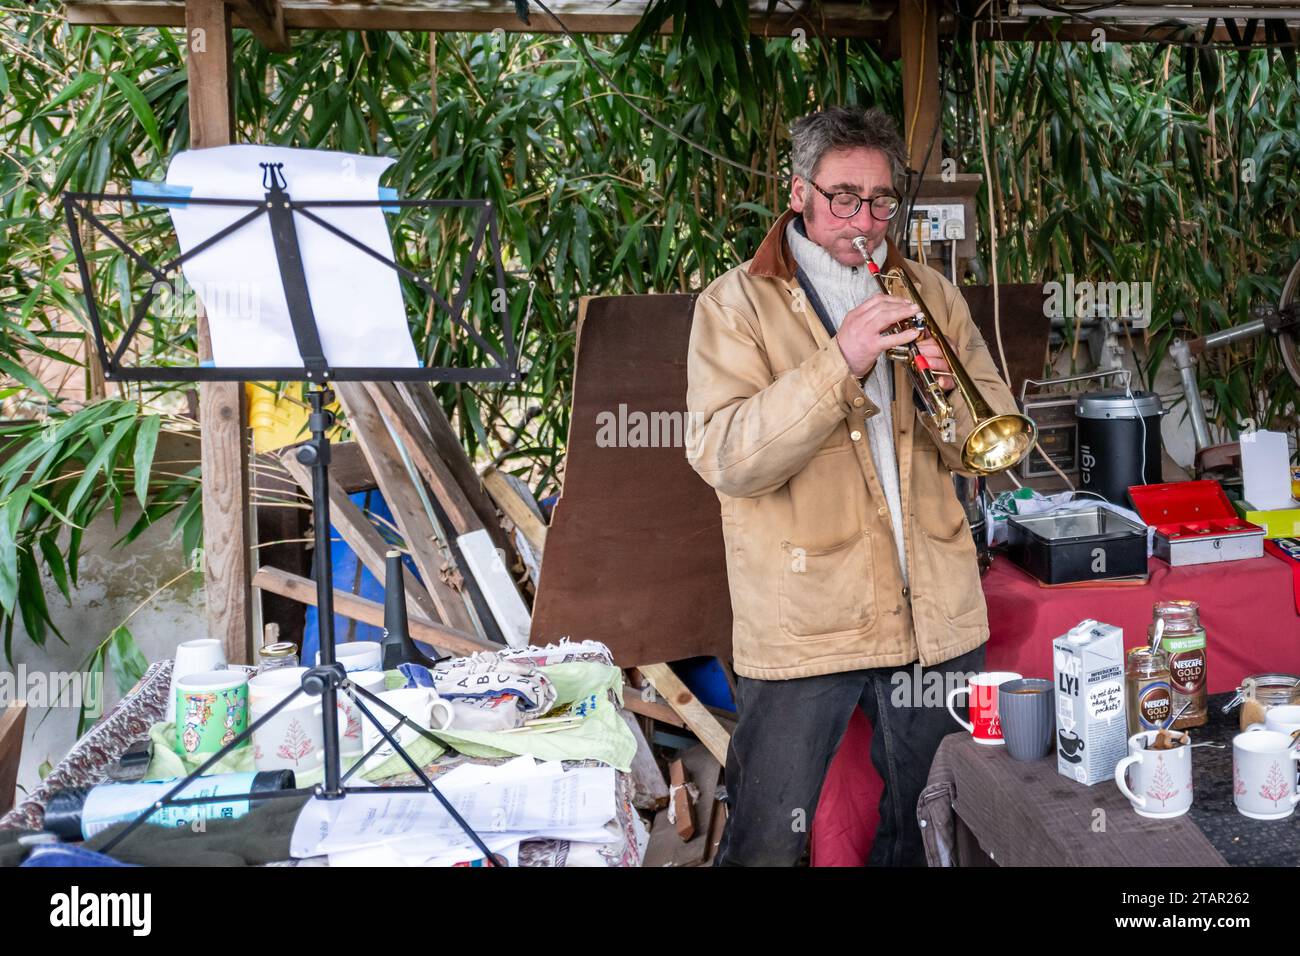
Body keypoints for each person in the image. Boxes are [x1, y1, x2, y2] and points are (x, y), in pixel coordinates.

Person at [685, 105, 1020, 866]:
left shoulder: (929, 290)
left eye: (880, 200)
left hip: (934, 614)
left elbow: (987, 436)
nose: (865, 219)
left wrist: (947, 400)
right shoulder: (734, 305)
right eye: (843, 197)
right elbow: (729, 456)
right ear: (798, 191)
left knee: (931, 826)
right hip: (807, 620)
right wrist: (843, 359)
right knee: (768, 839)